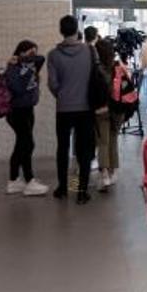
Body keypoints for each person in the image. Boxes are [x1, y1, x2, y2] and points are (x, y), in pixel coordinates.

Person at [47, 15, 97, 205]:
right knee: (84, 150)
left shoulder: (53, 55)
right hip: (85, 108)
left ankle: (62, 188)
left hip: (64, 109)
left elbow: (52, 84)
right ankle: (81, 192)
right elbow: (95, 78)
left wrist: (62, 96)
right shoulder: (89, 51)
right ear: (77, 30)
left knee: (63, 148)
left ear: (61, 31)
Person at [3, 40, 49, 197]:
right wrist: (15, 62)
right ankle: (29, 181)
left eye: (34, 53)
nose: (33, 56)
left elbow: (42, 58)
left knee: (21, 144)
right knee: (28, 144)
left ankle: (14, 180)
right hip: (16, 112)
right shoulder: (12, 68)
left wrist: (25, 59)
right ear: (20, 52)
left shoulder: (30, 64)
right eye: (30, 53)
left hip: (28, 109)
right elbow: (17, 88)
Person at [94, 36, 119, 191]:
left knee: (103, 141)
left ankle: (104, 174)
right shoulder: (117, 66)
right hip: (117, 109)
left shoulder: (96, 69)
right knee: (113, 139)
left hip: (101, 109)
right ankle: (113, 171)